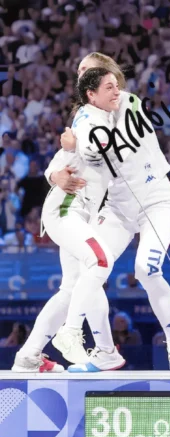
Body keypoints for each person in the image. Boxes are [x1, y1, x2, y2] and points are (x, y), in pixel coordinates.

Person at [49, 53, 170, 373]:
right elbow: (84, 151)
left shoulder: (129, 103)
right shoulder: (84, 116)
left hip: (157, 203)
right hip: (117, 209)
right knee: (94, 263)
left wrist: (83, 148)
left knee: (146, 270)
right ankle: (88, 342)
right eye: (81, 73)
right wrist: (69, 155)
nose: (82, 76)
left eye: (90, 71)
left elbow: (110, 148)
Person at [11, 68, 119, 373]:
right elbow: (69, 156)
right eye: (109, 87)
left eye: (117, 87)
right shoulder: (87, 120)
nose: (116, 92)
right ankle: (70, 333)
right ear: (91, 95)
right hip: (65, 209)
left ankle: (28, 356)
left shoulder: (108, 119)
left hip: (80, 214)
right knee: (100, 261)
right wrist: (55, 171)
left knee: (71, 288)